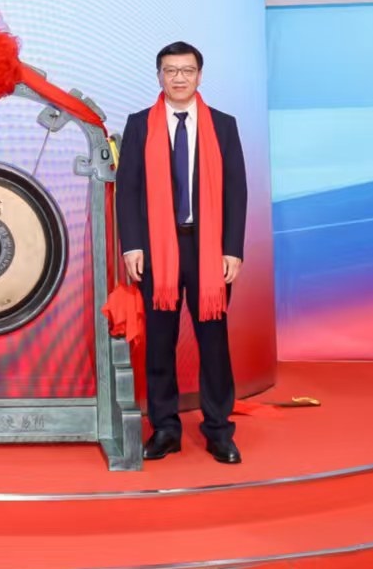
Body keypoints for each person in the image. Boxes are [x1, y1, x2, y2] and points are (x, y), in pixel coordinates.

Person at [115, 41, 247, 464]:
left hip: (209, 251)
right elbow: (127, 190)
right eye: (170, 70)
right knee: (159, 344)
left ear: (199, 76)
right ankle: (166, 429)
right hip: (158, 251)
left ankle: (219, 430)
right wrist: (132, 245)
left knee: (214, 343)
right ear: (159, 76)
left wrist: (233, 249)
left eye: (187, 70)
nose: (178, 78)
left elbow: (236, 192)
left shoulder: (223, 125)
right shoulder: (140, 125)